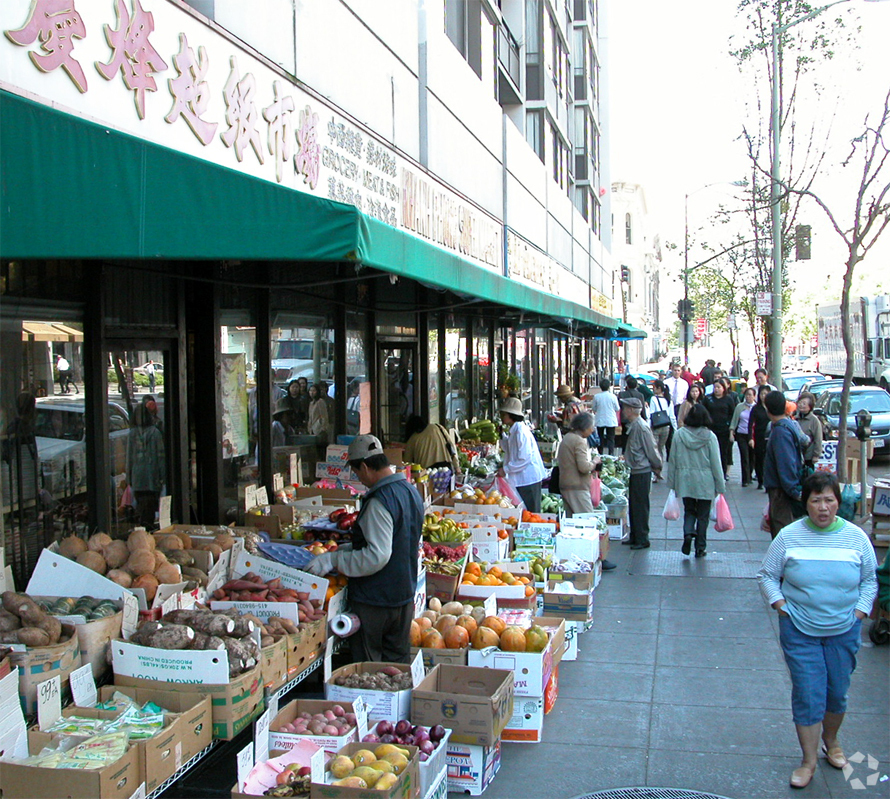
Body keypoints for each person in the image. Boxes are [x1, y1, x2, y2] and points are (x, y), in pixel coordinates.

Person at [756, 471, 878, 789]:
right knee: (809, 694)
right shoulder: (789, 536)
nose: (823, 507)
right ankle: (808, 760)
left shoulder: (856, 538)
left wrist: (860, 611)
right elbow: (768, 575)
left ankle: (832, 742)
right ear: (805, 504)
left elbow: (869, 580)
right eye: (815, 500)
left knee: (836, 691)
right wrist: (780, 604)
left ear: (838, 502)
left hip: (844, 629)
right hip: (799, 629)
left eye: (829, 500)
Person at [305, 435, 424, 663]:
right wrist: (346, 549)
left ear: (366, 466)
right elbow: (398, 538)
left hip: (376, 601)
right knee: (397, 666)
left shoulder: (380, 501)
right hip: (403, 596)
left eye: (357, 472)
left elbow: (377, 556)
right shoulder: (410, 492)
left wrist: (333, 561)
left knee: (370, 669)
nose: (359, 478)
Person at [668, 403, 725, 557]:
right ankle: (700, 547)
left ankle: (687, 533)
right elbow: (716, 463)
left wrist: (672, 482)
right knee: (703, 515)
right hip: (705, 481)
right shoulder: (710, 437)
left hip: (685, 479)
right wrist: (720, 485)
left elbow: (672, 459)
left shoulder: (679, 435)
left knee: (689, 510)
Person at [620, 397, 662, 549]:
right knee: (635, 505)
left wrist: (657, 466)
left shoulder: (641, 427)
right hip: (636, 469)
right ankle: (636, 535)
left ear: (631, 410)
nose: (623, 411)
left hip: (642, 470)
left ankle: (642, 538)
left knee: (640, 506)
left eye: (625, 408)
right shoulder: (634, 425)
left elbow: (651, 448)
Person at [763, 390, 806, 538]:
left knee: (783, 535)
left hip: (782, 491)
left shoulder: (780, 431)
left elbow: (785, 463)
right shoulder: (787, 425)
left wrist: (792, 490)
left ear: (767, 408)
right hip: (782, 489)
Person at [497, 397, 547, 513]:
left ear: (511, 415)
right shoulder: (514, 430)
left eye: (504, 414)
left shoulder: (521, 431)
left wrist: (506, 469)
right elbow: (509, 449)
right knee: (525, 513)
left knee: (531, 514)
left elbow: (524, 458)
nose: (502, 417)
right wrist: (501, 435)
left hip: (528, 479)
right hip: (522, 478)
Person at [127, 403, 165, 529]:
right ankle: (148, 528)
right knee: (150, 507)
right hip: (152, 478)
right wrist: (163, 476)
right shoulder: (155, 433)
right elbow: (160, 457)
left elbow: (129, 457)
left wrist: (129, 477)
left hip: (137, 478)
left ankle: (143, 527)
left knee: (141, 507)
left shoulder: (132, 434)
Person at [703, 379, 735, 479]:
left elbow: (732, 414)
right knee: (710, 452)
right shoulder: (708, 399)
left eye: (719, 387)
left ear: (723, 388)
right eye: (715, 387)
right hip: (711, 430)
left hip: (724, 430)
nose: (716, 389)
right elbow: (704, 412)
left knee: (723, 452)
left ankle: (723, 473)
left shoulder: (728, 399)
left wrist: (730, 428)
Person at [729, 386, 757, 486]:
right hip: (741, 434)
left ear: (754, 396)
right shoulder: (740, 407)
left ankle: (749, 474)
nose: (748, 397)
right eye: (746, 395)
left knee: (752, 456)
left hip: (753, 435)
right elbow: (734, 420)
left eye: (750, 395)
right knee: (744, 456)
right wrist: (732, 431)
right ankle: (745, 479)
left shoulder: (756, 407)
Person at [647, 379, 675, 470]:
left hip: (656, 426)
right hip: (666, 426)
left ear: (659, 388)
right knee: (661, 448)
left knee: (654, 449)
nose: (653, 390)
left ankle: (656, 470)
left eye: (654, 388)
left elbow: (651, 413)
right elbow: (672, 416)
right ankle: (660, 468)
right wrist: (675, 428)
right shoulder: (668, 400)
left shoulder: (653, 399)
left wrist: (648, 426)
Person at [749, 385, 772, 490]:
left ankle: (768, 481)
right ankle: (760, 480)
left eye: (766, 394)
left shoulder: (772, 407)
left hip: (771, 437)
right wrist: (751, 438)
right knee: (759, 459)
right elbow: (751, 424)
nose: (764, 396)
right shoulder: (756, 408)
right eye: (762, 394)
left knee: (769, 459)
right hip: (759, 436)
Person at [794, 391, 823, 470]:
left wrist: (816, 455)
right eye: (800, 403)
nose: (801, 405)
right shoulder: (795, 418)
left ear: (810, 406)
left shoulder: (814, 420)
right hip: (796, 455)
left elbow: (818, 438)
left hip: (808, 456)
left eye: (804, 403)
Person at [592, 379, 620, 455]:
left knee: (600, 437)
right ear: (608, 387)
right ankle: (611, 454)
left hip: (600, 419)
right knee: (610, 438)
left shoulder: (596, 396)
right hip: (611, 419)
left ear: (600, 387)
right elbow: (617, 408)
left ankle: (600, 454)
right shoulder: (613, 396)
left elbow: (594, 408)